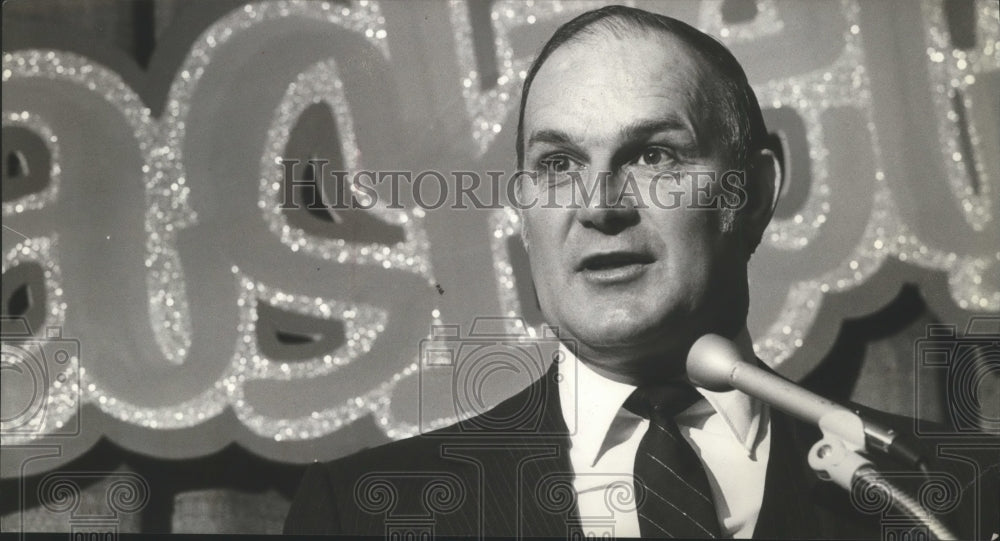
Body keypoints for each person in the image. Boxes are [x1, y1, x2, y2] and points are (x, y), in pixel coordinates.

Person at [284, 6, 995, 539]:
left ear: (752, 194)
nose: (599, 206)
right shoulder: (365, 512)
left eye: (654, 156)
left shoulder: (959, 492)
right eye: (558, 164)